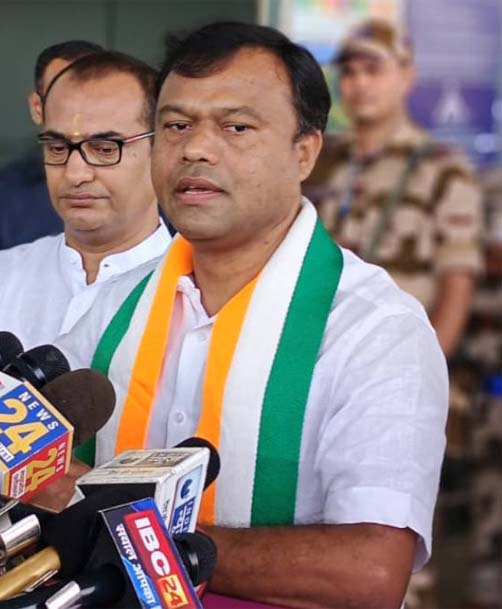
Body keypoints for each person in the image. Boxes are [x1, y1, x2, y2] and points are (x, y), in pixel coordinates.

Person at [54, 22, 447, 608]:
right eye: (176, 126)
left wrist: (128, 537)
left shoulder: (375, 330)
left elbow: (369, 572)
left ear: (304, 152)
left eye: (236, 127)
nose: (195, 149)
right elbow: (42, 472)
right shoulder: (115, 304)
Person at [0, 50, 171, 348]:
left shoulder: (194, 295)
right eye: (58, 148)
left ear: (162, 151)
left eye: (104, 149)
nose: (75, 174)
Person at [306, 18, 483, 356]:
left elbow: (457, 286)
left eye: (373, 70)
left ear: (406, 76)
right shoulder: (315, 161)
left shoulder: (443, 169)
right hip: (318, 349)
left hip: (395, 354)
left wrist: (424, 370)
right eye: (350, 72)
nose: (360, 83)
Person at [0, 40, 104, 282]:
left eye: (91, 97)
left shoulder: (147, 183)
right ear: (37, 107)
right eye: (62, 97)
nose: (77, 111)